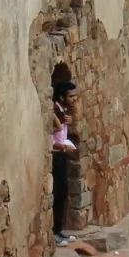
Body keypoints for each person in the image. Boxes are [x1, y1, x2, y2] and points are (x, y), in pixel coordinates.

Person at [51, 79, 80, 244]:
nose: (74, 99)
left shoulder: (62, 112)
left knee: (63, 193)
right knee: (58, 192)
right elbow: (49, 138)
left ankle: (59, 230)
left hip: (61, 154)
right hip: (56, 155)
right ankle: (55, 232)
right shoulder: (54, 111)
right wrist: (62, 147)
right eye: (71, 96)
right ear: (62, 98)